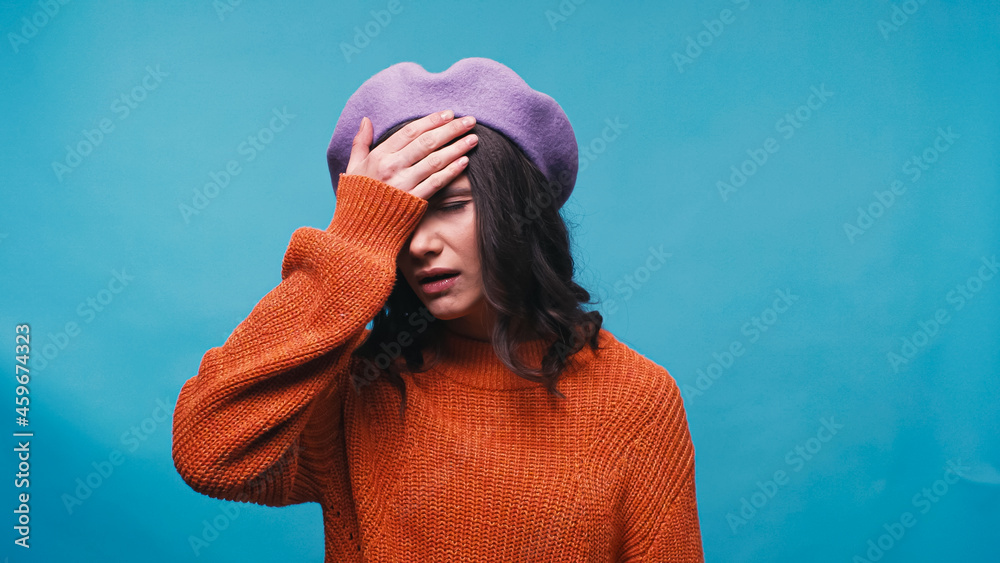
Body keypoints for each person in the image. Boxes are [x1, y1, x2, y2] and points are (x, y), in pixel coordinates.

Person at [171, 57, 703, 562]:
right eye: (401, 218)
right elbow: (207, 452)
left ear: (520, 211)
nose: (420, 244)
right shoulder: (360, 382)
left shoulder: (636, 400)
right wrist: (354, 237)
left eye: (451, 206)